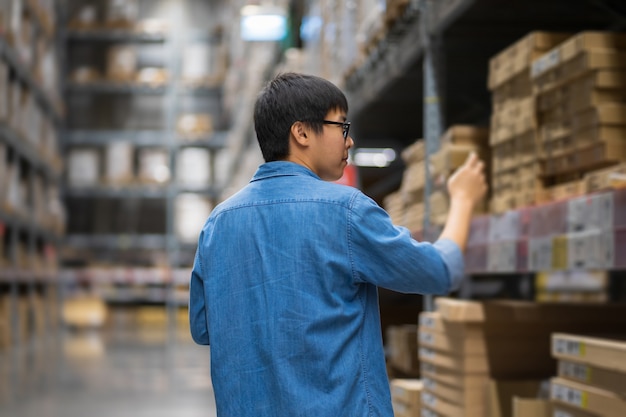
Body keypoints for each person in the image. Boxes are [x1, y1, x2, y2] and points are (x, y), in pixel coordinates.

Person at [189, 72, 487, 416]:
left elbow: (203, 328)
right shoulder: (346, 212)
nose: (350, 141)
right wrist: (463, 200)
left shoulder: (217, 224)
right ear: (301, 132)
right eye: (341, 127)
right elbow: (437, 271)